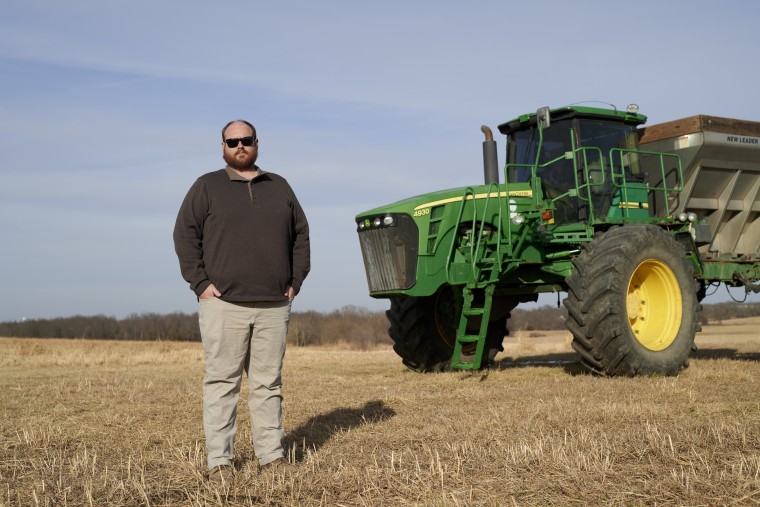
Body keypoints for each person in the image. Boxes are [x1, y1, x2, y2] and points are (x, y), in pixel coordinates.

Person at [173, 119, 310, 482]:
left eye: (245, 140)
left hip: (274, 304)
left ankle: (271, 456)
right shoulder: (206, 186)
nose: (239, 146)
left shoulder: (279, 186)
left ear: (257, 143)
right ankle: (220, 461)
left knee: (268, 384)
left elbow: (301, 235)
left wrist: (296, 280)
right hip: (224, 305)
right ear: (222, 147)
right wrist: (200, 283)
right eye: (231, 141)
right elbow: (184, 235)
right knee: (222, 383)